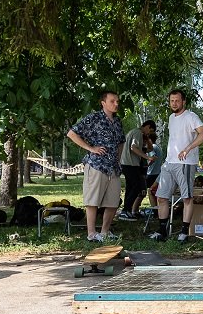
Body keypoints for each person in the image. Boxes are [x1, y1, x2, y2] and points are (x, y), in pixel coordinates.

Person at [147, 89, 203, 243]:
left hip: (186, 163)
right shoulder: (171, 117)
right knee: (161, 197)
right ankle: (162, 231)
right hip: (169, 163)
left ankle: (184, 232)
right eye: (172, 101)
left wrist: (188, 148)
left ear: (184, 102)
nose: (174, 103)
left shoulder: (191, 116)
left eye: (177, 101)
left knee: (187, 198)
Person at [66, 90, 126, 242]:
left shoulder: (117, 121)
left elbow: (121, 141)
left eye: (117, 101)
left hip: (113, 167)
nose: (116, 104)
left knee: (113, 201)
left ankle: (105, 232)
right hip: (97, 165)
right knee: (92, 200)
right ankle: (91, 233)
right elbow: (72, 134)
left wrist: (118, 159)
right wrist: (91, 148)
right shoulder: (94, 118)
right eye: (112, 101)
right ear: (103, 103)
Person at [118, 119, 156, 220]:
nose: (149, 134)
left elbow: (149, 149)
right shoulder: (138, 133)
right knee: (137, 187)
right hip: (130, 164)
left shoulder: (134, 132)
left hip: (126, 164)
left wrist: (147, 139)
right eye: (150, 131)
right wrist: (147, 158)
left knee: (130, 187)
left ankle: (126, 211)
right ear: (147, 126)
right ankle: (125, 210)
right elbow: (133, 148)